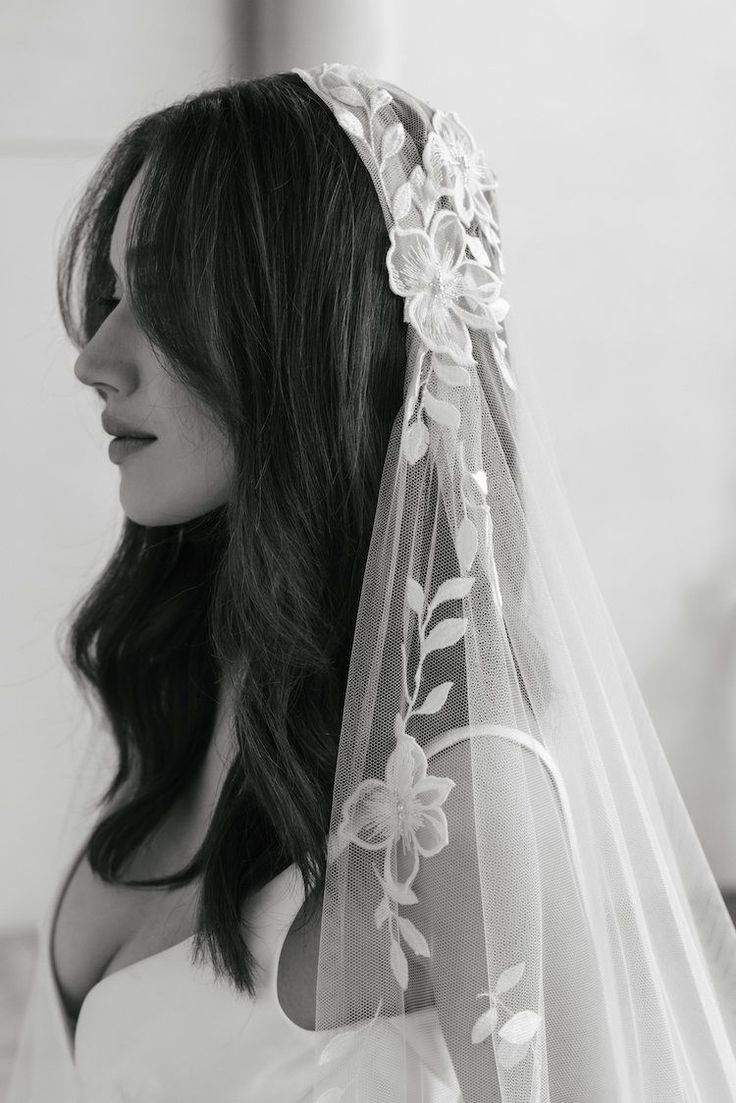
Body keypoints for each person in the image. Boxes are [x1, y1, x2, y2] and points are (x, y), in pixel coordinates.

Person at [6, 62, 736, 1102]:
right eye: (114, 292)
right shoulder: (196, 691)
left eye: (161, 294)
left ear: (308, 330)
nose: (97, 356)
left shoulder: (462, 797)